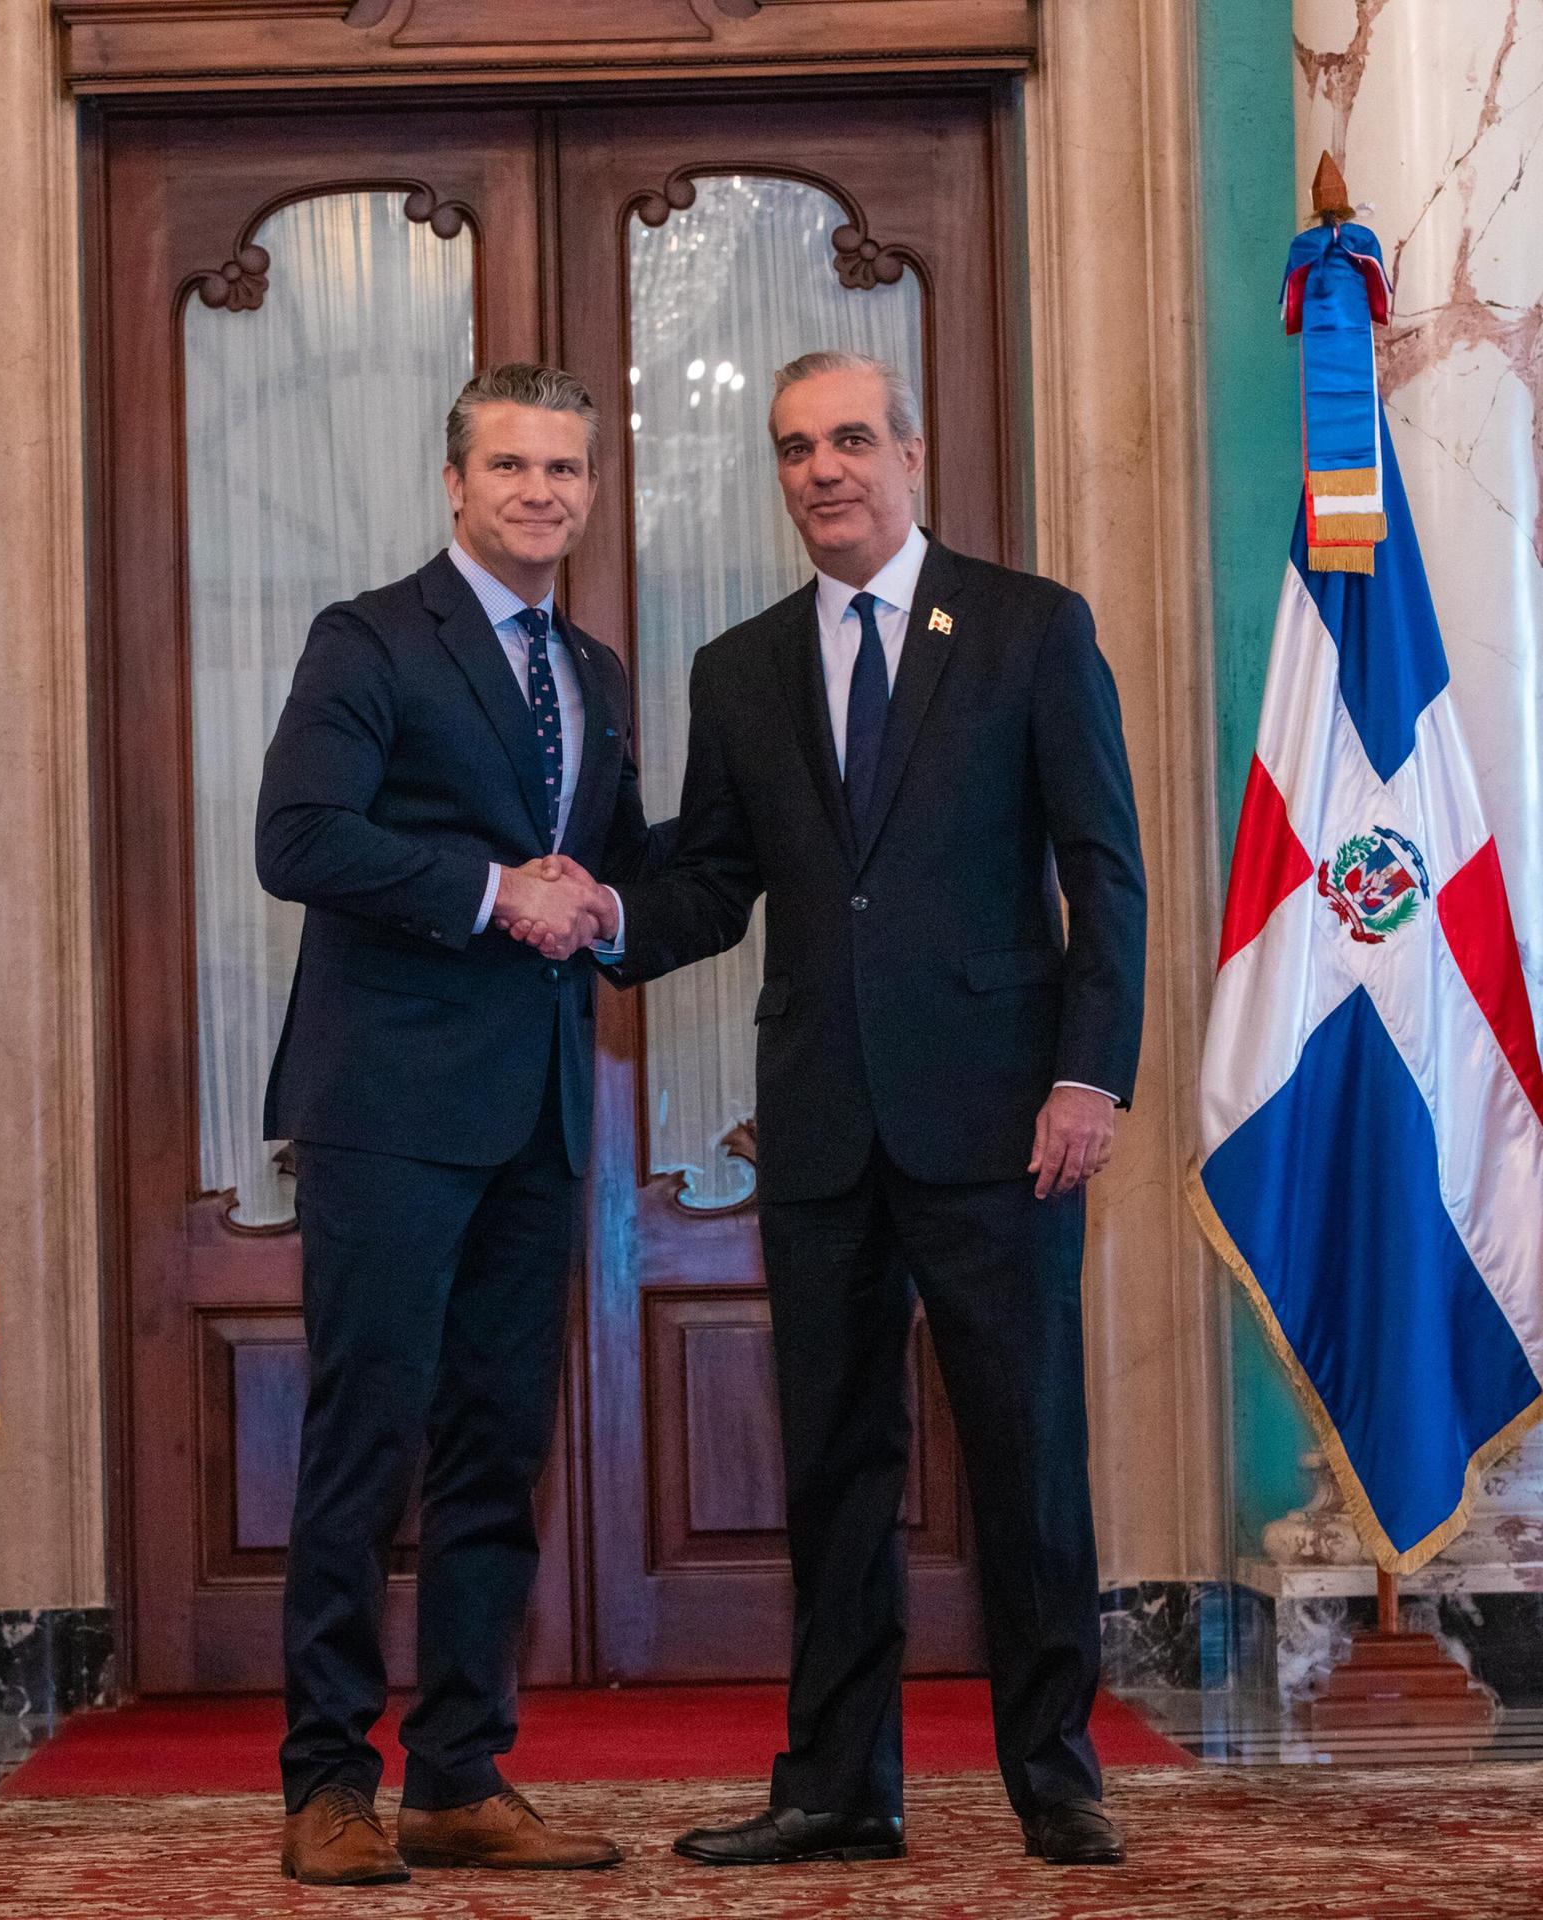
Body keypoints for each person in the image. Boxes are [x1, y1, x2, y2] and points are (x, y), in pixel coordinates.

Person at [515, 349, 1147, 1868]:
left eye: (852, 439)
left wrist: (1088, 1073)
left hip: (1003, 1122)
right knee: (835, 1466)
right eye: (796, 449)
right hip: (818, 1128)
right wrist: (601, 911)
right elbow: (717, 884)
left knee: (1024, 1450)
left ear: (911, 454)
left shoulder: (1027, 628)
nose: (824, 471)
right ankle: (836, 1789)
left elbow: (1102, 868)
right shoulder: (738, 670)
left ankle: (1055, 1774)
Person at [256, 363, 662, 1885]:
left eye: (566, 468)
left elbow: (607, 877)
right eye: (512, 466)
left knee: (497, 1452)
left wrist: (623, 900)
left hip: (539, 1115)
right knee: (366, 1446)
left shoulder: (600, 675)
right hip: (387, 1115)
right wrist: (498, 893)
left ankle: (459, 1778)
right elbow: (296, 836)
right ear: (455, 483)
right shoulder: (370, 638)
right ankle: (326, 1785)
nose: (542, 492)